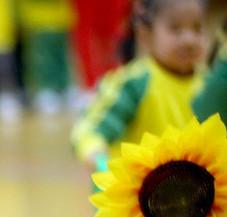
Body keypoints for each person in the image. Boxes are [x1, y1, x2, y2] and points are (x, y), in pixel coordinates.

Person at [71, 0, 208, 167]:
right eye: (176, 29)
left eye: (197, 28)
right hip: (136, 188)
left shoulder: (211, 83)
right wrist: (95, 151)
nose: (189, 39)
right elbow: (91, 129)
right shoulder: (134, 83)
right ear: (145, 34)